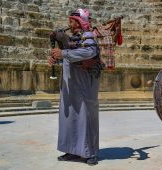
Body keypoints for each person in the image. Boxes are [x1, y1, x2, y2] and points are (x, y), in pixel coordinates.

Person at [48, 8, 102, 166]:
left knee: (86, 117)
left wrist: (63, 54)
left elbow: (90, 52)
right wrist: (55, 59)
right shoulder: (72, 39)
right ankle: (72, 150)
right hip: (70, 87)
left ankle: (90, 153)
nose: (69, 24)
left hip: (84, 86)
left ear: (79, 22)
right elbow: (69, 57)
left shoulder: (88, 36)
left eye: (71, 21)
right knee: (69, 117)